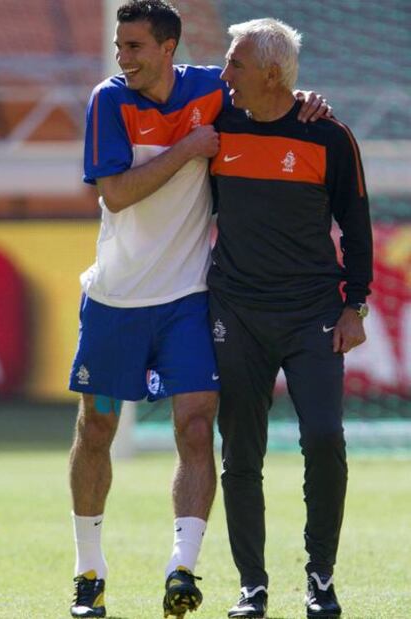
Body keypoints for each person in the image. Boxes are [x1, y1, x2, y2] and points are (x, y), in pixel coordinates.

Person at [68, 2, 331, 618]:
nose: (122, 57)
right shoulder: (109, 102)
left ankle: (183, 568)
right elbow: (119, 193)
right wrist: (190, 146)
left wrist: (307, 99)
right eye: (119, 45)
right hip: (114, 300)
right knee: (97, 427)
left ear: (169, 48)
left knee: (195, 426)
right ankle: (89, 573)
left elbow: (269, 88)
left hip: (188, 299)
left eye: (134, 46)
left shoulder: (212, 86)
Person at [208, 17, 373, 619]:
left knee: (325, 439)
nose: (226, 74)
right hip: (236, 312)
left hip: (313, 316)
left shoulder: (329, 136)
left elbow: (357, 228)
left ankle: (320, 577)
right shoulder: (216, 120)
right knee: (240, 452)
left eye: (237, 64)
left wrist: (355, 306)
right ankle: (252, 587)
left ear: (273, 74)